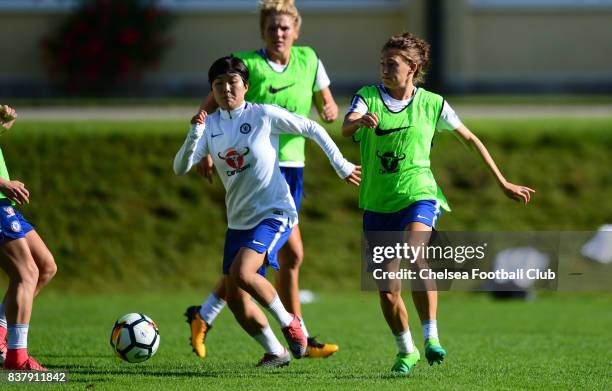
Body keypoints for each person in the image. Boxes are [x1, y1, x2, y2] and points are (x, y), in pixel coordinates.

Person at [341, 33, 535, 375]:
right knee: (387, 291)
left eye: (392, 64)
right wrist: (358, 122)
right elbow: (345, 127)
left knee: (417, 253)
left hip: (419, 194)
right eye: (382, 63)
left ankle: (431, 336)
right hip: (377, 203)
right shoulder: (368, 96)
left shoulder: (433, 103)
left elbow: (471, 140)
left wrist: (503, 181)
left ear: (413, 68)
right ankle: (407, 350)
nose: (384, 69)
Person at [174, 56, 359, 368]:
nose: (226, 89)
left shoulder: (263, 115)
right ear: (212, 90)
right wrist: (195, 134)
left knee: (243, 273)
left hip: (275, 211)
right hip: (238, 222)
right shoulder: (210, 127)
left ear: (246, 86)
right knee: (235, 299)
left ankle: (290, 324)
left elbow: (311, 127)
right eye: (219, 84)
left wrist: (340, 165)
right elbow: (180, 168)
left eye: (232, 82)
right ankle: (276, 352)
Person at [0, 105, 57, 371]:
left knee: (45, 266)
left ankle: (1, 333)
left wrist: (3, 121)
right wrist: (3, 184)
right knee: (26, 273)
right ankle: (17, 358)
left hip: (3, 203)